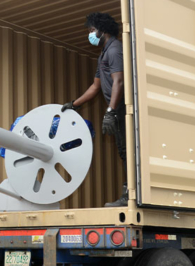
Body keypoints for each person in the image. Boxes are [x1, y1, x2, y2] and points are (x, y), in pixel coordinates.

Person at [61, 12, 127, 207]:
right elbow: (95, 87)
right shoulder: (103, 54)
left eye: (92, 30)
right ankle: (128, 194)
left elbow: (119, 81)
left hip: (123, 111)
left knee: (127, 152)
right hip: (117, 110)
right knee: (123, 151)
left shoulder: (114, 50)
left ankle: (129, 196)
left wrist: (111, 111)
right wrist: (74, 104)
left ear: (102, 30)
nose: (90, 34)